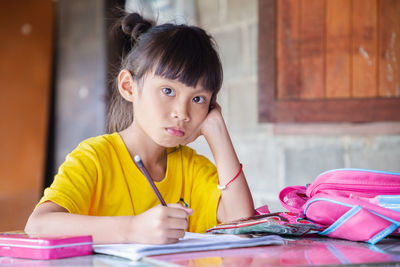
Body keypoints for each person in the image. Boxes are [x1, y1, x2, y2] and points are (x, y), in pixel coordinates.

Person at [25, 12, 254, 244]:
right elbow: (39, 225)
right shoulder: (95, 158)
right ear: (128, 87)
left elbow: (242, 221)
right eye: (168, 91)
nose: (182, 113)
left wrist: (217, 131)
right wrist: (132, 229)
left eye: (198, 99)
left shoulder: (192, 168)